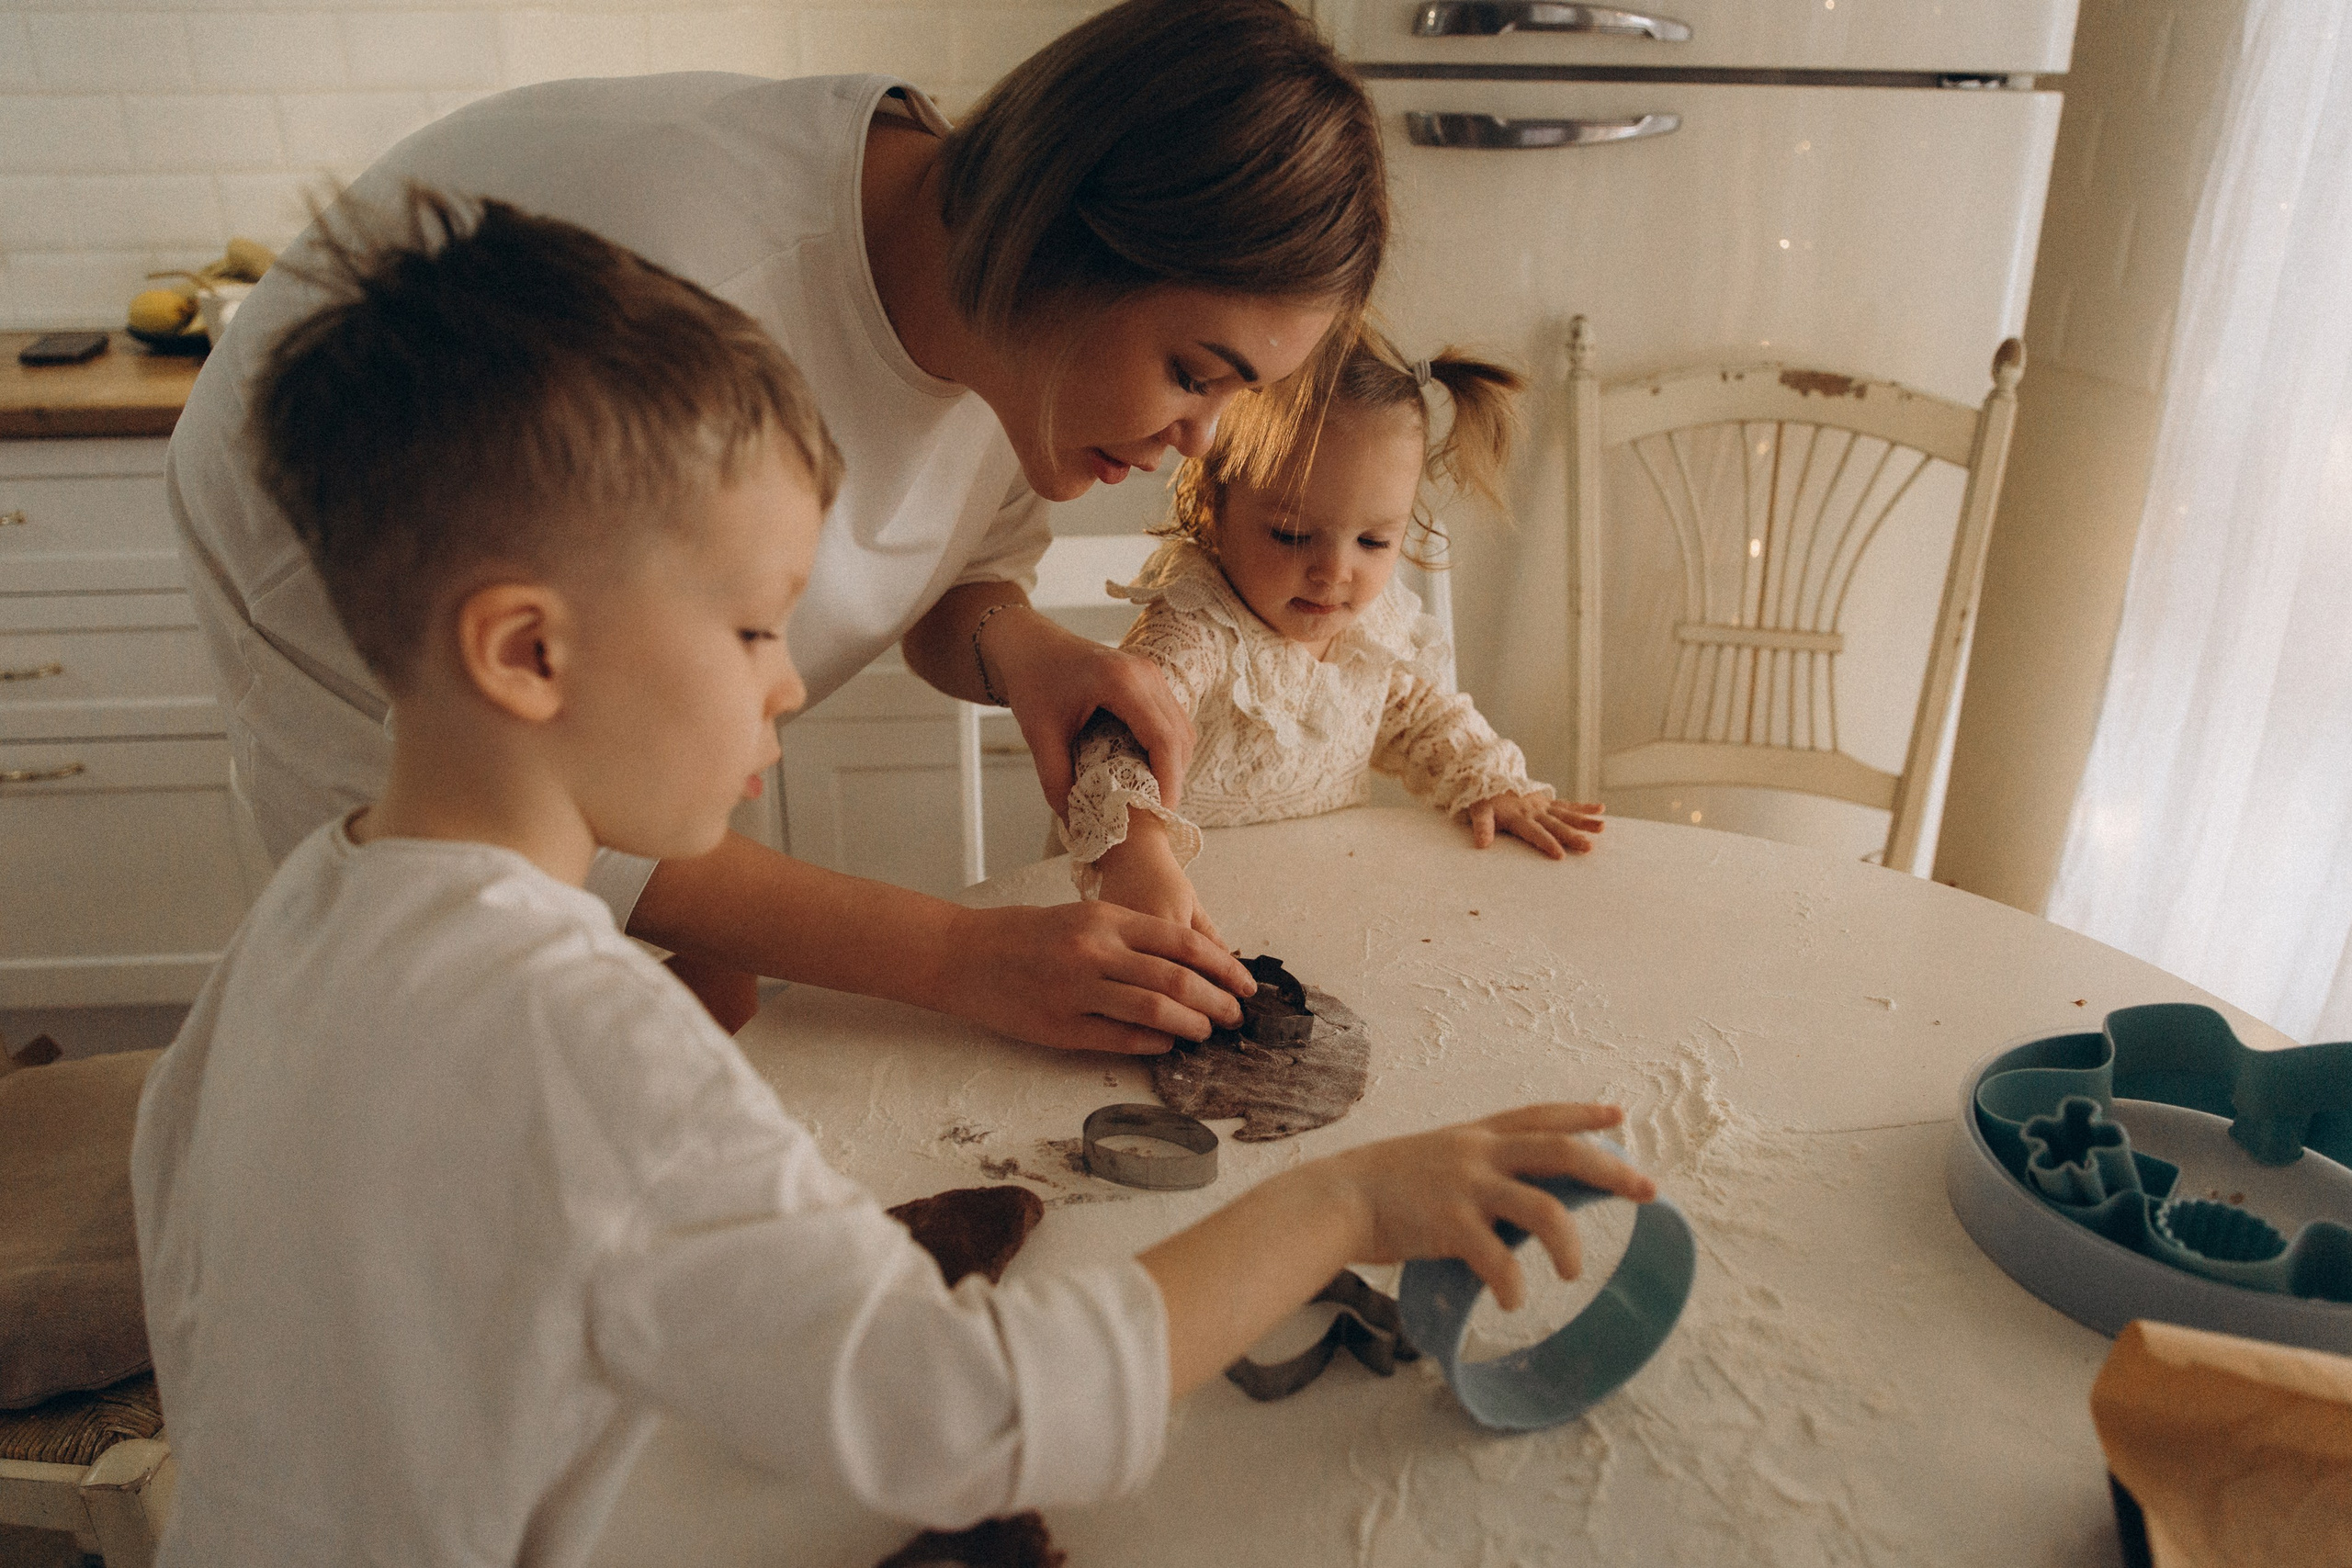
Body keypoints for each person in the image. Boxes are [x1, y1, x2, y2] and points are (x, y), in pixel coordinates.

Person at [131, 191, 1657, 1565]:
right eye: (750, 630)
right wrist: (1339, 1204)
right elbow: (967, 1419)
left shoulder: (300, 920)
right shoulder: (591, 1039)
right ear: (528, 651)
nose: (788, 687)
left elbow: (208, 1290)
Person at [165, 0, 1389, 1050]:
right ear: (1059, 239)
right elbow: (542, 762)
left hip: (595, 672)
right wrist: (960, 957)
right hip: (333, 595)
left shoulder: (1011, 323)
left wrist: (1020, 645)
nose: (1204, 441)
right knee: (450, 1055)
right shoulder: (697, 305)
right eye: (1194, 371)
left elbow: (955, 570)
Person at [1059, 328, 1609, 931]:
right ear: (1213, 506)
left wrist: (1489, 782)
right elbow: (1113, 738)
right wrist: (1136, 853)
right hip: (1174, 911)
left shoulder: (1369, 630)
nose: (1334, 572)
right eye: (1293, 535)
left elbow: (1421, 716)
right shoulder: (1199, 624)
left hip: (1316, 903)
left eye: (1373, 541)